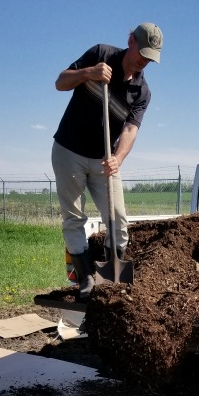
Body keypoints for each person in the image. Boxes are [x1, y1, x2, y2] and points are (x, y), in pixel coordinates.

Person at [51, 22, 163, 300]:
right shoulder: (101, 53)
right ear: (130, 41)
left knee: (118, 220)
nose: (144, 61)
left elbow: (130, 130)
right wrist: (89, 72)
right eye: (142, 53)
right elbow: (60, 82)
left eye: (150, 58)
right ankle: (86, 279)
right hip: (69, 150)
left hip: (104, 159)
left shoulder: (142, 92)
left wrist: (118, 158)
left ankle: (111, 277)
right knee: (74, 218)